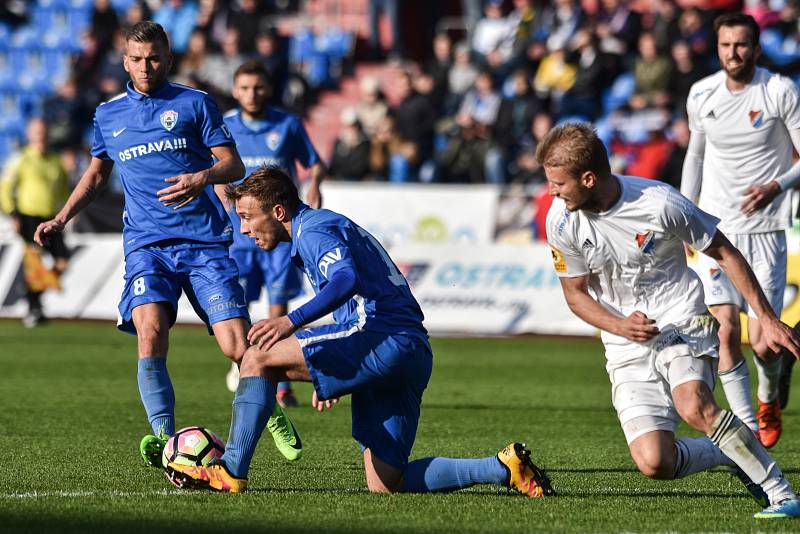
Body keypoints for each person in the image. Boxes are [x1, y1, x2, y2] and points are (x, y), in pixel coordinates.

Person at [164, 167, 555, 498]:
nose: (244, 228)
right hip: (411, 350)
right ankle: (504, 468)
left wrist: (290, 321)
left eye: (248, 216)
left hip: (382, 337)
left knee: (256, 357)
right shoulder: (321, 228)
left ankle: (230, 469)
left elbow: (345, 279)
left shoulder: (313, 230)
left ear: (278, 210)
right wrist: (332, 369)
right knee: (386, 482)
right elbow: (356, 296)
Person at [33, 21, 302, 469]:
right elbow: (97, 174)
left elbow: (231, 163)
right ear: (124, 61)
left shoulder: (195, 104)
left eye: (154, 57)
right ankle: (164, 436)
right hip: (147, 246)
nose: (145, 66)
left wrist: (202, 177)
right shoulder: (108, 114)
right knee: (150, 333)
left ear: (168, 58)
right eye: (137, 59)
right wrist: (62, 217)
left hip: (205, 244)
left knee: (238, 347)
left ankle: (269, 408)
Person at [542, 122, 800, 519]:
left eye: (558, 183)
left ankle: (780, 492)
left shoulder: (660, 202)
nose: (552, 192)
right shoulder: (562, 222)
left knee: (694, 406)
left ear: (589, 178)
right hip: (625, 340)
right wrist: (620, 325)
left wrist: (766, 318)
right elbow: (575, 294)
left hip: (682, 317)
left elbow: (725, 252)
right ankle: (730, 450)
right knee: (654, 463)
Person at [679, 13, 800, 448]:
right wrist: (682, 215)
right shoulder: (702, 93)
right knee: (724, 329)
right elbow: (694, 158)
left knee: (763, 342)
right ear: (718, 48)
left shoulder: (779, 91)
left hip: (764, 229)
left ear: (756, 47)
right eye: (726, 45)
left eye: (742, 44)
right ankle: (747, 432)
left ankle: (768, 394)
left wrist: (776, 185)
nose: (734, 53)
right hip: (715, 229)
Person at [222, 60, 327, 406]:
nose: (253, 94)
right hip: (241, 236)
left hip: (280, 236)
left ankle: (280, 383)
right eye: (245, 88)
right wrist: (223, 199)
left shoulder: (287, 124)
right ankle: (246, 360)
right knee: (240, 304)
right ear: (235, 90)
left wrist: (314, 186)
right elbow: (214, 169)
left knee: (277, 307)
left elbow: (314, 162)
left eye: (259, 87)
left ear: (269, 88)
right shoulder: (224, 126)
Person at [0, 118, 71, 327]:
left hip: (51, 218)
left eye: (43, 131)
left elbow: (65, 190)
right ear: (30, 135)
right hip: (29, 217)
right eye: (36, 131)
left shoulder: (56, 160)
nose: (40, 135)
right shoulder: (21, 159)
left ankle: (33, 296)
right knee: (34, 264)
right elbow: (5, 188)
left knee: (62, 263)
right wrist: (13, 214)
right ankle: (34, 308)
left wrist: (66, 214)